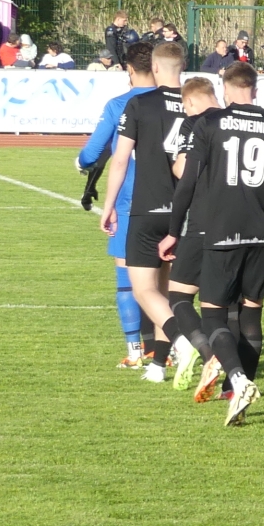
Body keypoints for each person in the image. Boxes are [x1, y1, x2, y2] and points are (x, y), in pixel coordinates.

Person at [165, 61, 264, 426]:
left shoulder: (210, 123)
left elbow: (187, 182)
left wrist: (174, 231)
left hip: (221, 229)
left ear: (225, 89)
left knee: (213, 313)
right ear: (255, 90)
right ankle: (235, 397)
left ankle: (238, 380)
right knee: (250, 314)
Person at [97, 40, 188, 378]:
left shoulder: (139, 104)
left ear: (156, 67)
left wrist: (109, 206)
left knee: (144, 290)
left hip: (148, 207)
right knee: (165, 291)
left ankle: (185, 342)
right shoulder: (196, 104)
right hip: (186, 210)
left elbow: (120, 159)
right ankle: (158, 365)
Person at [79, 41, 157, 367]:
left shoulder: (119, 105)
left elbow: (92, 153)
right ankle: (164, 349)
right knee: (164, 280)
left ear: (129, 69)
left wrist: (82, 163)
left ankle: (135, 350)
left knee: (127, 278)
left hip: (129, 201)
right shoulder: (179, 101)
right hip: (174, 202)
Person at [162, 76, 223, 398]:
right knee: (224, 304)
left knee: (179, 297)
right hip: (240, 222)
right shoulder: (233, 120)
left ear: (190, 102)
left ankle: (207, 353)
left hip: (201, 219)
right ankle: (235, 373)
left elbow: (183, 170)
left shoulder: (194, 123)